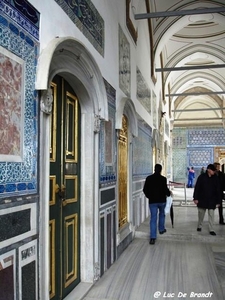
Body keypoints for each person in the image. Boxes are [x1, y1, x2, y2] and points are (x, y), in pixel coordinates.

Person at [143, 164, 171, 245]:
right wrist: (169, 194)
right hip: (162, 201)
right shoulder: (163, 179)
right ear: (161, 170)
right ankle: (161, 229)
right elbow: (165, 190)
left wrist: (149, 196)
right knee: (162, 214)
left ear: (154, 169)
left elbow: (145, 190)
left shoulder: (149, 178)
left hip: (152, 202)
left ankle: (152, 237)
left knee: (153, 218)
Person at [193, 164, 220, 235]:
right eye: (212, 170)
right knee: (201, 214)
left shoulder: (215, 178)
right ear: (208, 170)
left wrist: (218, 201)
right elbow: (197, 188)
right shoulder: (201, 177)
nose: (214, 172)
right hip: (202, 199)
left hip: (212, 200)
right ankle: (199, 225)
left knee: (211, 215)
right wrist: (195, 198)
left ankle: (211, 229)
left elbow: (218, 190)